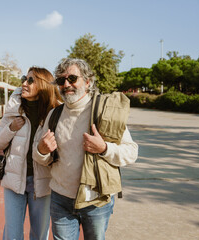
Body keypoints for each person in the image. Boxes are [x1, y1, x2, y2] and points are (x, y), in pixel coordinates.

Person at [32, 58, 138, 240]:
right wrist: (42, 150)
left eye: (72, 78)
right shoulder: (54, 114)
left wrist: (104, 148)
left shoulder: (105, 111)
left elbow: (131, 153)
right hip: (60, 198)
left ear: (87, 81)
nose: (66, 85)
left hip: (96, 201)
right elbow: (38, 154)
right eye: (61, 80)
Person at [0, 66, 62, 240]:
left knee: (39, 235)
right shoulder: (14, 108)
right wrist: (11, 128)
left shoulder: (55, 114)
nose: (24, 83)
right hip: (14, 180)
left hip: (42, 183)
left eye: (30, 80)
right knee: (12, 235)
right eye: (24, 78)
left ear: (43, 85)